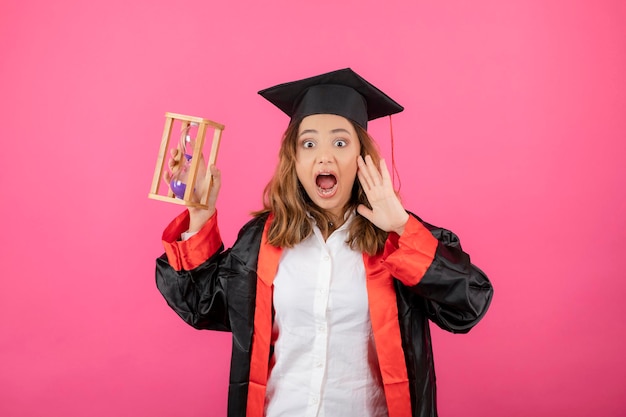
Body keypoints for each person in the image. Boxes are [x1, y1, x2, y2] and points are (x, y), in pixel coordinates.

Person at [155, 68, 493, 417]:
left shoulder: (399, 241)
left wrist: (401, 226)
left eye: (341, 142)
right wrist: (198, 214)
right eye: (309, 143)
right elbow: (201, 304)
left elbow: (469, 302)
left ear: (363, 158)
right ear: (295, 159)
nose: (324, 157)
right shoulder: (262, 242)